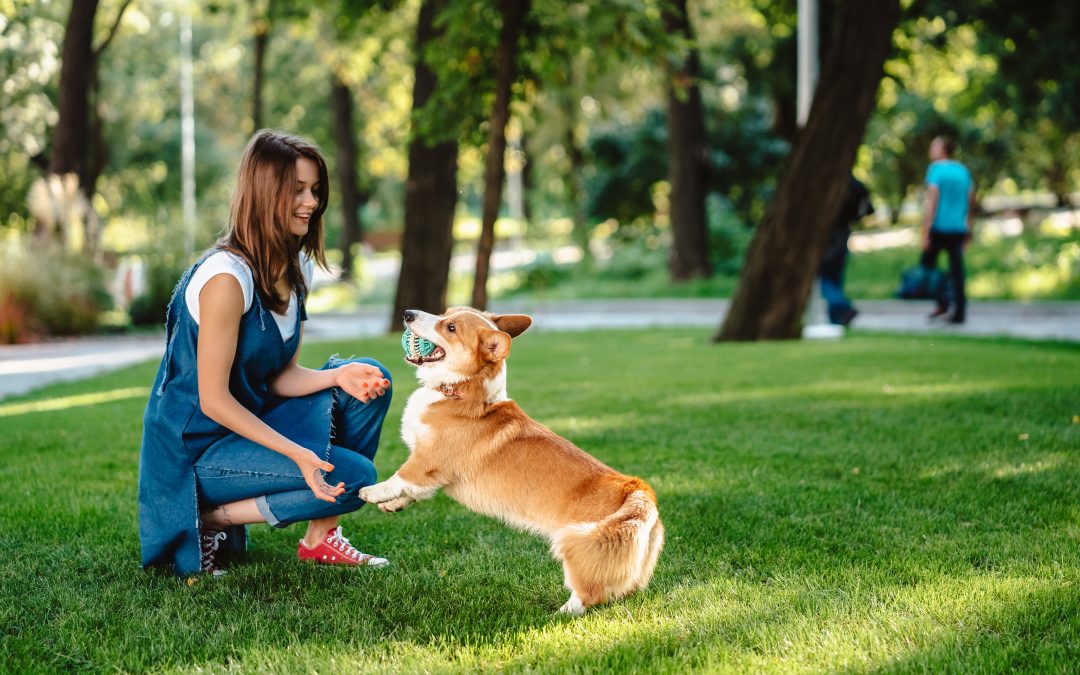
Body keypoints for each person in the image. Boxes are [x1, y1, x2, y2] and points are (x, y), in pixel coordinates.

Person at [138, 130, 393, 576]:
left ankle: (321, 538)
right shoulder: (225, 279)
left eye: (315, 190)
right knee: (355, 476)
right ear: (263, 193)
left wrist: (338, 377)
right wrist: (297, 453)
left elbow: (278, 376)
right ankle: (208, 518)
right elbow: (213, 400)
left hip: (248, 425)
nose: (311, 202)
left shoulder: (292, 269)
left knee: (368, 376)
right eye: (297, 190)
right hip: (196, 451)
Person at [920, 135, 975, 324]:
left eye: (934, 146)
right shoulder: (963, 171)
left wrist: (926, 230)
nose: (930, 149)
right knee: (957, 271)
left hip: (939, 227)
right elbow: (970, 200)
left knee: (927, 265)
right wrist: (969, 227)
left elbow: (932, 201)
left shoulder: (935, 170)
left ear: (943, 149)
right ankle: (959, 312)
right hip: (958, 228)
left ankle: (943, 299)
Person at [819, 175, 874, 326]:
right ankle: (836, 315)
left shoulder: (828, 182)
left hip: (828, 234)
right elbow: (867, 209)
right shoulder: (854, 184)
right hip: (843, 232)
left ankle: (841, 308)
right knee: (835, 274)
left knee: (826, 276)